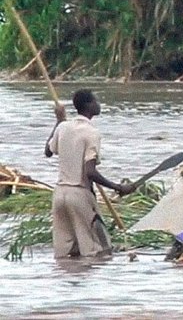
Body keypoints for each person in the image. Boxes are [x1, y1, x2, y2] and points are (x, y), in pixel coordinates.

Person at [45, 90, 135, 259]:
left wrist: (58, 121)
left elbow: (48, 151)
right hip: (79, 195)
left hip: (59, 196)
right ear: (88, 105)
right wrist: (118, 187)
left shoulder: (63, 127)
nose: (98, 104)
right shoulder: (92, 133)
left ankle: (64, 283)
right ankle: (90, 284)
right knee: (97, 251)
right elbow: (90, 172)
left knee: (64, 254)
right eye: (96, 101)